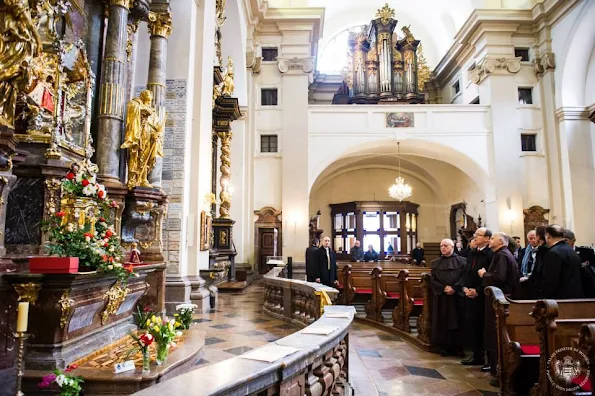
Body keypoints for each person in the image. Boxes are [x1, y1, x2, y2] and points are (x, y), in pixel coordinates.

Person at [478, 232, 520, 384]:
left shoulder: (502, 255)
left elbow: (500, 277)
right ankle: (496, 370)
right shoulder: (502, 254)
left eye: (493, 238)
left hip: (500, 300)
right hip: (500, 299)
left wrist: (484, 274)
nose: (490, 240)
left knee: (496, 334)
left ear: (501, 241)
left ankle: (499, 372)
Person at [460, 228, 493, 369]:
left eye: (478, 235)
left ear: (487, 238)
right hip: (470, 294)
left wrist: (478, 291)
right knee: (473, 325)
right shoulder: (473, 253)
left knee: (484, 326)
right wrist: (465, 288)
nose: (475, 237)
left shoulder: (490, 254)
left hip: (483, 296)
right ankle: (477, 355)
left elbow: (490, 276)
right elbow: (467, 272)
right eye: (475, 235)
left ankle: (488, 360)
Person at [430, 239, 466, 357]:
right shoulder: (435, 263)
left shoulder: (463, 261)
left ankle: (458, 347)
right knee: (443, 321)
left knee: (458, 321)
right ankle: (444, 346)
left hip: (457, 297)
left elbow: (464, 277)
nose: (443, 248)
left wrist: (455, 288)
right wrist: (444, 288)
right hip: (442, 297)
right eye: (441, 246)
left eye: (445, 246)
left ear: (452, 247)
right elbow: (433, 279)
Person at [537, 225, 584, 299]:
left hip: (560, 299)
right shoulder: (571, 250)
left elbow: (550, 280)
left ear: (548, 235)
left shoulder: (553, 253)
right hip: (575, 296)